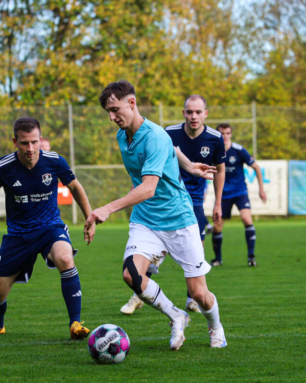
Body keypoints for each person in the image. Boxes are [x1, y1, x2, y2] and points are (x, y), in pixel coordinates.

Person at [87, 80, 227, 349]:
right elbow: (168, 152)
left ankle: (215, 326)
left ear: (131, 103)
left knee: (199, 293)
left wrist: (106, 208)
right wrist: (188, 165)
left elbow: (149, 187)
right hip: (146, 220)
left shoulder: (155, 135)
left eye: (115, 109)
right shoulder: (122, 135)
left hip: (179, 219)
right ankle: (177, 315)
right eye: (107, 111)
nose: (112, 116)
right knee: (131, 276)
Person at [0, 117, 95, 339]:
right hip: (18, 235)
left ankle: (75, 323)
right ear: (15, 141)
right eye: (24, 143)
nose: (30, 148)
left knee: (65, 258)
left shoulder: (55, 161)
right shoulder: (3, 167)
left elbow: (75, 186)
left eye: (34, 142)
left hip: (50, 227)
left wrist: (89, 218)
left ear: (41, 140)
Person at [120, 94, 226, 315]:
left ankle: (193, 296)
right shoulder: (168, 132)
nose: (193, 116)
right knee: (151, 249)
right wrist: (187, 166)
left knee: (197, 245)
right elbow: (168, 150)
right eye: (189, 112)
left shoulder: (215, 138)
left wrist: (218, 203)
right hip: (162, 197)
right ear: (183, 113)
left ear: (206, 114)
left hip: (191, 202)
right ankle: (139, 292)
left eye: (198, 112)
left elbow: (220, 171)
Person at [210, 123, 267, 267]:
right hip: (223, 194)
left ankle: (251, 257)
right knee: (217, 228)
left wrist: (261, 189)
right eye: (222, 133)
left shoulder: (238, 150)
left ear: (231, 134)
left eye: (228, 133)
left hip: (240, 192)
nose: (225, 136)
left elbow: (257, 168)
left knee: (247, 219)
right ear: (217, 134)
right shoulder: (213, 151)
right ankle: (218, 259)